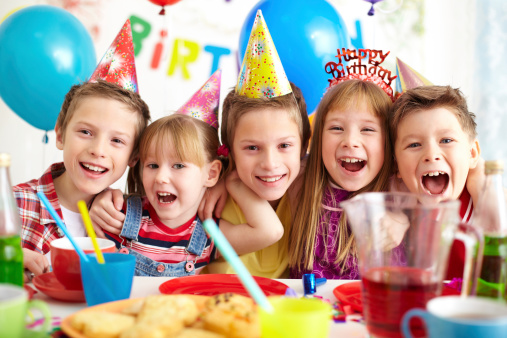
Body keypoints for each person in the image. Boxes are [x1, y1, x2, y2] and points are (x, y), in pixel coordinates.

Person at [16, 19, 150, 281]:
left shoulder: (131, 218)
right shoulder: (13, 206)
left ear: (134, 156)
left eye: (117, 141)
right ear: (60, 134)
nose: (98, 150)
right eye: (86, 132)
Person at [101, 113, 284, 276]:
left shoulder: (208, 235)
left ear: (211, 174)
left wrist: (233, 182)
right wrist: (99, 200)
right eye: (153, 165)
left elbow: (270, 232)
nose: (161, 177)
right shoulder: (118, 216)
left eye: (178, 166)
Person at [288, 77, 395, 279]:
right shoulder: (300, 178)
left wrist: (476, 174)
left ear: (388, 141)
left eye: (368, 129)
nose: (350, 141)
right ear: (319, 137)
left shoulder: (398, 189)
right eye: (337, 128)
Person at [389, 85, 481, 279]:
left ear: (472, 153)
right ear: (396, 166)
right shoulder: (394, 207)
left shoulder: (488, 207)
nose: (431, 155)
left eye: (446, 140)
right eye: (414, 144)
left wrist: (485, 190)